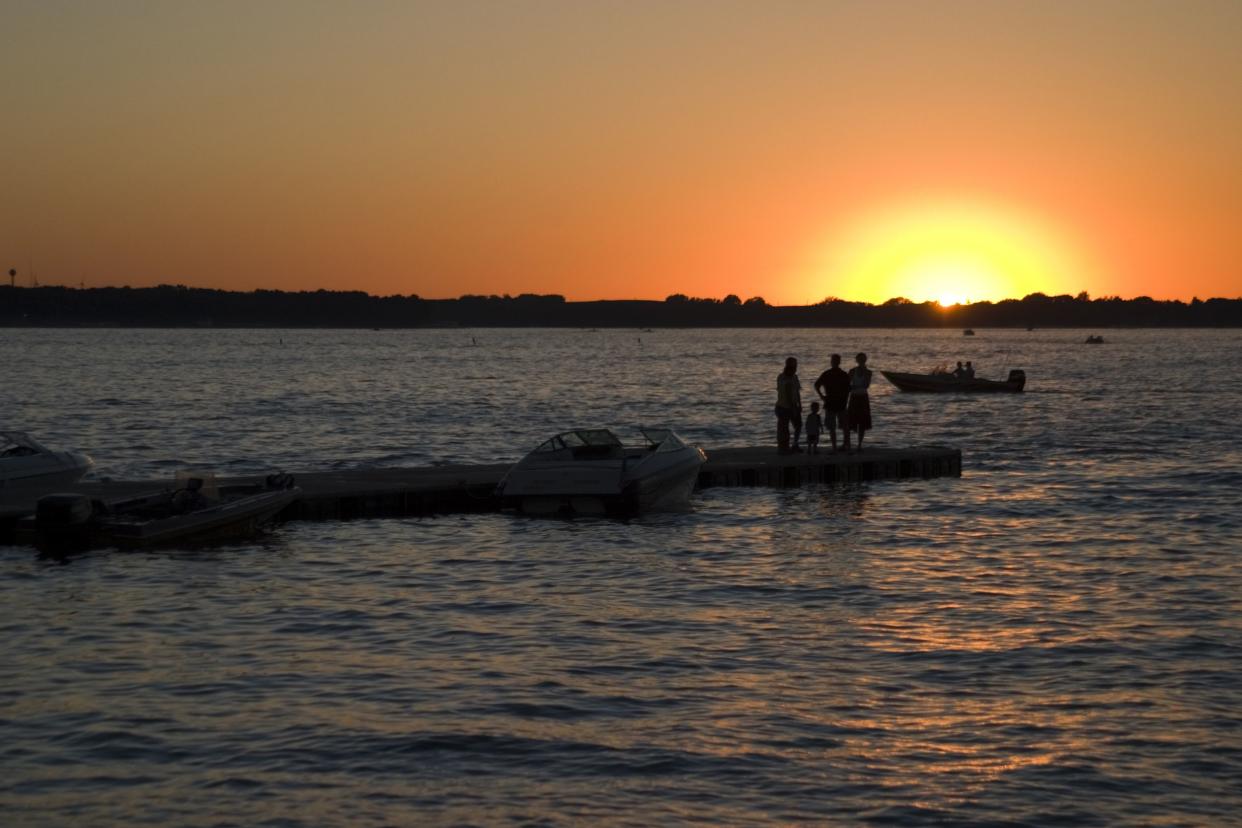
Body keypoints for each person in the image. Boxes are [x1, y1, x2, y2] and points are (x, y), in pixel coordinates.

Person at [814, 353, 851, 452]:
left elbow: (848, 389)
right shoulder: (827, 373)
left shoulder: (843, 374)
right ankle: (835, 447)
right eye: (833, 360)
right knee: (832, 427)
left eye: (835, 361)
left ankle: (845, 446)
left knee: (844, 426)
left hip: (841, 403)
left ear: (839, 362)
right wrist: (822, 396)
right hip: (830, 403)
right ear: (831, 362)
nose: (834, 362)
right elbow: (816, 385)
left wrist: (845, 400)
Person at [775, 356, 803, 453]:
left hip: (792, 406)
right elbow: (788, 395)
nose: (796, 367)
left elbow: (797, 392)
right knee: (784, 429)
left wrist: (800, 404)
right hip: (784, 407)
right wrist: (794, 408)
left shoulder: (794, 377)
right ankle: (783, 448)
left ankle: (794, 444)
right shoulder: (783, 378)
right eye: (794, 365)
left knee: (798, 425)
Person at [847, 352, 873, 452]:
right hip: (853, 397)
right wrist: (852, 387)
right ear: (857, 360)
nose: (861, 361)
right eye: (860, 359)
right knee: (850, 422)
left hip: (863, 397)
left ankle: (859, 445)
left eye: (863, 359)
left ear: (865, 360)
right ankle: (848, 444)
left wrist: (853, 387)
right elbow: (847, 385)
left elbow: (866, 385)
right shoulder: (852, 371)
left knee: (862, 422)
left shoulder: (869, 372)